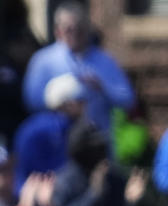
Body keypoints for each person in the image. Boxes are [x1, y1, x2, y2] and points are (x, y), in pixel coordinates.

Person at [22, 1, 133, 135]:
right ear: (58, 31)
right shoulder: (43, 61)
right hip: (55, 141)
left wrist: (102, 87)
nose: (74, 34)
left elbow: (128, 99)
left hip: (96, 140)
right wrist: (59, 102)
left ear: (87, 29)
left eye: (79, 29)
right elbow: (31, 101)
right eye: (68, 29)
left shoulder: (104, 60)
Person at [13, 72, 85, 195]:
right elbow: (48, 169)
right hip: (35, 192)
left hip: (42, 188)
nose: (84, 105)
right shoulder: (53, 128)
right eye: (79, 101)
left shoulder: (42, 123)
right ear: (66, 103)